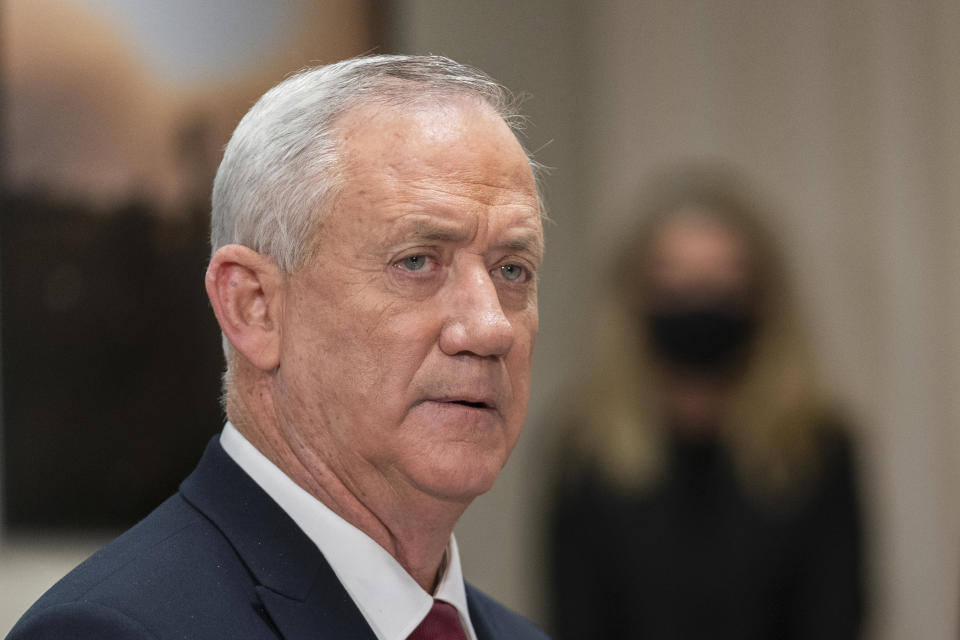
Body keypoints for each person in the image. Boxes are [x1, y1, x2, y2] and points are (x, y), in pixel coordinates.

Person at [9, 54, 548, 640]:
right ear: (254, 307)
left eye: (512, 271)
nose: (491, 326)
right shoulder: (113, 631)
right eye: (416, 262)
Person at [547, 167, 865, 639]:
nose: (700, 301)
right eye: (676, 281)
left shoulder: (820, 448)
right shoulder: (585, 452)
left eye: (723, 280)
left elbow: (836, 617)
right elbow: (574, 620)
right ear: (636, 298)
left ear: (762, 296)